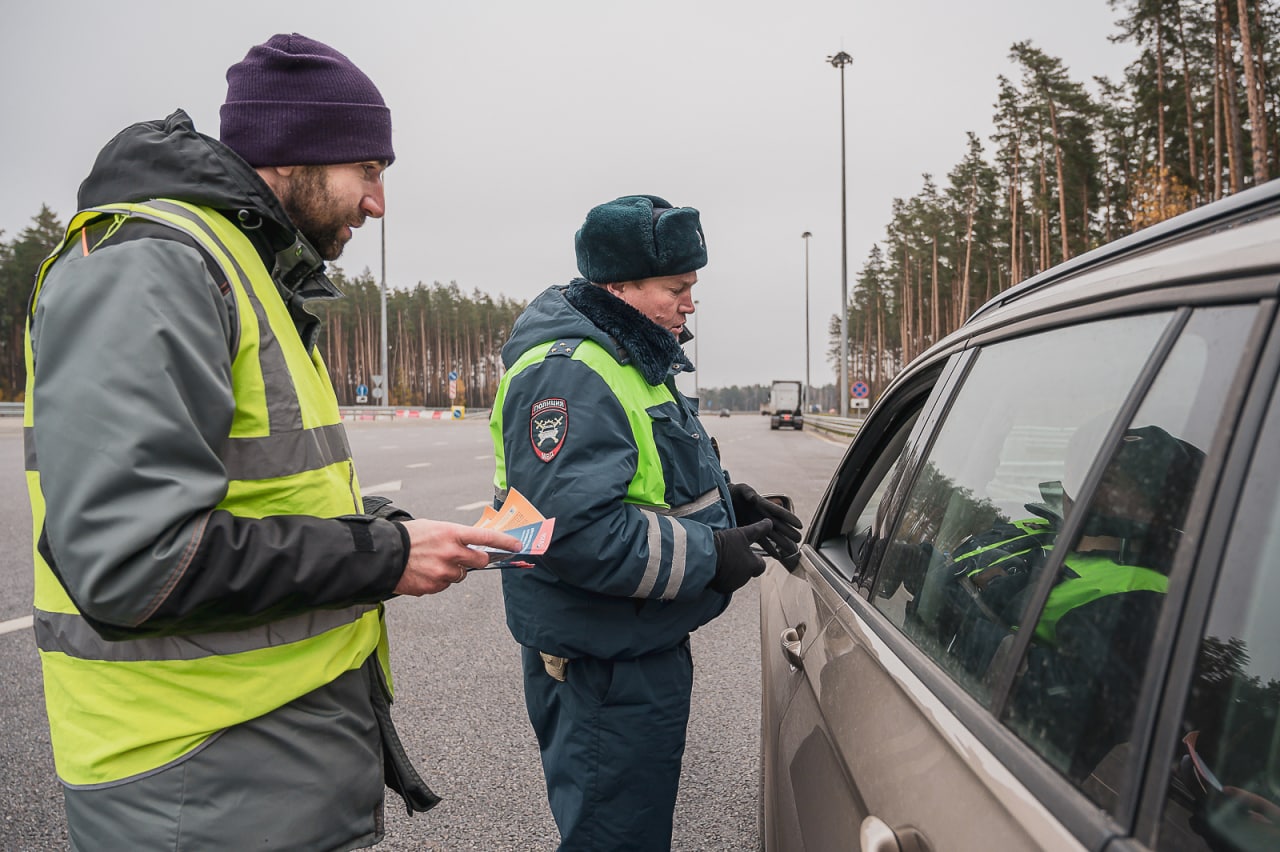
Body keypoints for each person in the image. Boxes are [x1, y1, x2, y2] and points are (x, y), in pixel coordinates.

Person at [22, 34, 522, 851]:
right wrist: (383, 557)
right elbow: (134, 564)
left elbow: (255, 492)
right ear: (295, 155)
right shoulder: (155, 267)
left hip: (267, 767)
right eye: (368, 171)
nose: (377, 204)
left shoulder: (239, 267)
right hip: (196, 778)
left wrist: (385, 526)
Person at [488, 194, 804, 850]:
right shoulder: (572, 370)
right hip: (599, 658)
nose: (690, 303)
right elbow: (572, 534)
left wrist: (730, 505)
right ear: (619, 285)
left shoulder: (631, 353)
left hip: (629, 641)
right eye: (676, 287)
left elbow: (644, 481)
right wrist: (711, 554)